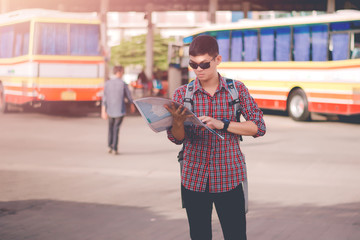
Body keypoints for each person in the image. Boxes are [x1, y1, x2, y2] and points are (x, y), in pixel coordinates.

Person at [164, 35, 266, 240]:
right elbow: (176, 139)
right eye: (193, 64)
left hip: (229, 177)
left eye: (204, 64)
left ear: (217, 60)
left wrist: (223, 124)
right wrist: (176, 122)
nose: (198, 69)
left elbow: (258, 127)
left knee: (235, 235)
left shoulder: (236, 90)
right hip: (194, 178)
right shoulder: (182, 94)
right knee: (199, 235)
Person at [102, 65, 135, 155]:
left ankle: (109, 146)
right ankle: (115, 148)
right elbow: (129, 96)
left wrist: (103, 111)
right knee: (116, 129)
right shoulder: (123, 83)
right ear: (120, 72)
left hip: (110, 110)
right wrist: (132, 105)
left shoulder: (108, 83)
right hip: (120, 110)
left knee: (110, 128)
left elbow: (104, 98)